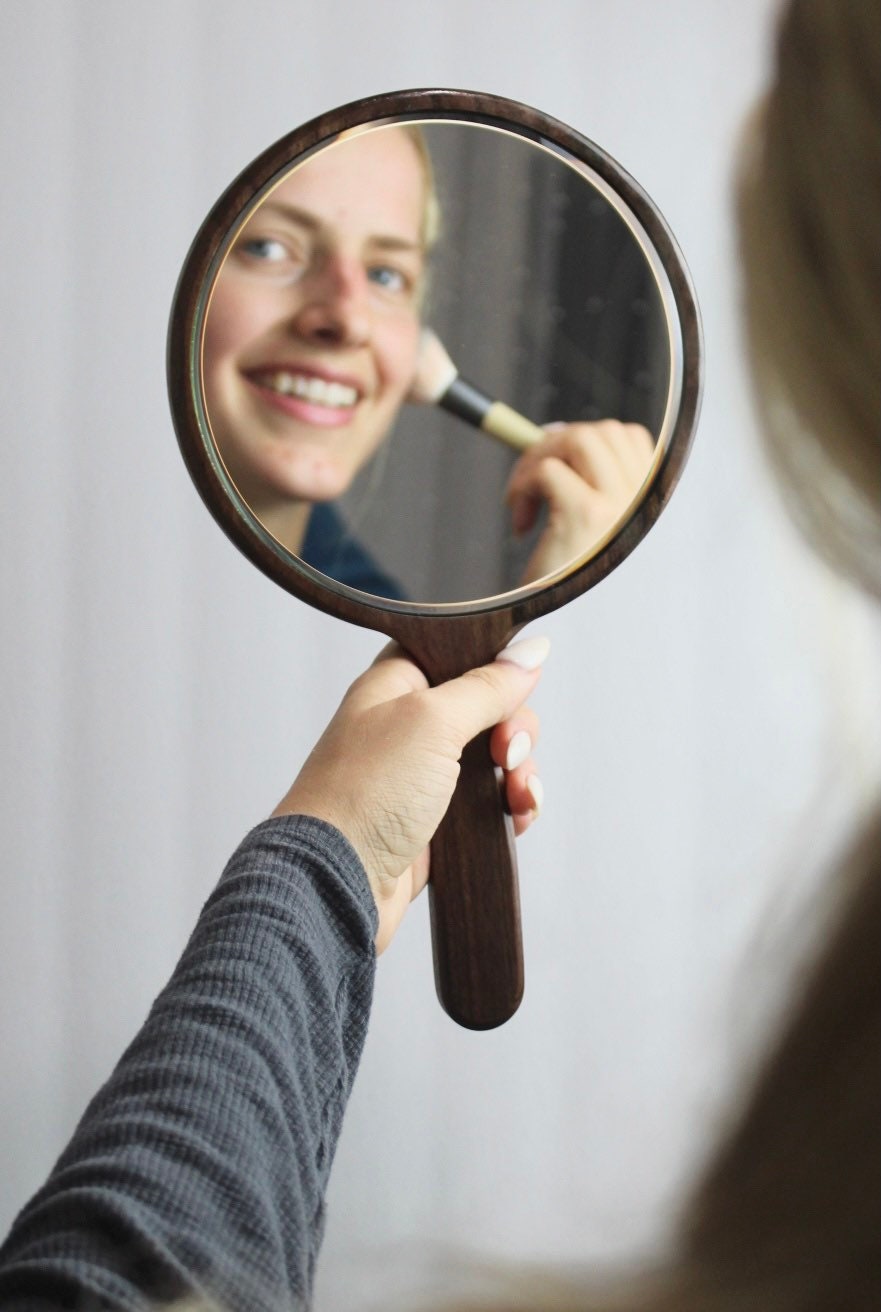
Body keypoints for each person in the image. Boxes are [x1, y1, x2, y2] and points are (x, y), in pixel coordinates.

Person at [1, 0, 878, 1309]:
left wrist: (339, 847)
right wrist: (335, 856)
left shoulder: (427, 583)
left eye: (392, 272)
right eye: (273, 247)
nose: (343, 312)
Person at [202, 124, 653, 597]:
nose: (350, 320)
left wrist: (549, 599)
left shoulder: (385, 623)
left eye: (385, 275)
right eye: (268, 249)